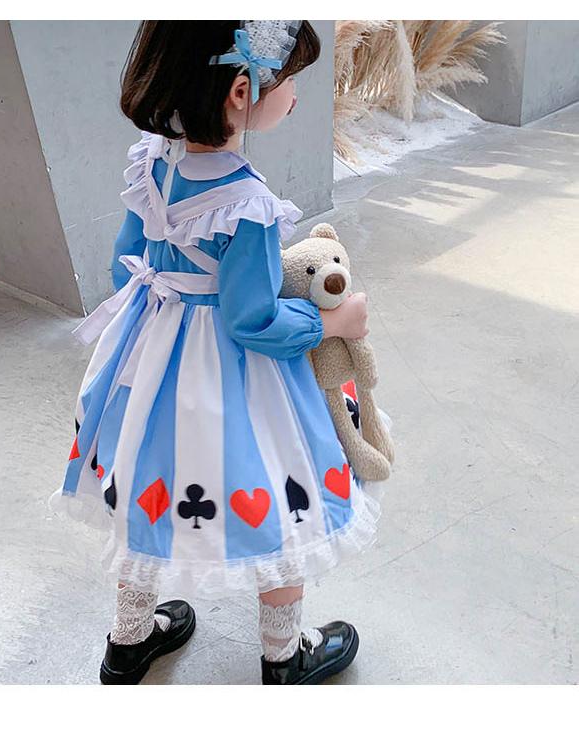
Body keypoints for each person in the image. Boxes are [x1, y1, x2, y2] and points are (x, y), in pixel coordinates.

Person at [53, 20, 385, 685]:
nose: (295, 94)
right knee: (279, 496)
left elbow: (125, 265)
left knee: (149, 488)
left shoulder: (152, 159)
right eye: (287, 80)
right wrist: (332, 321)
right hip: (235, 377)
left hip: (150, 360)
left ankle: (129, 641)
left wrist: (165, 309)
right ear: (241, 91)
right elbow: (252, 319)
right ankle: (284, 656)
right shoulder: (247, 205)